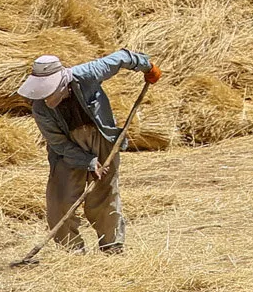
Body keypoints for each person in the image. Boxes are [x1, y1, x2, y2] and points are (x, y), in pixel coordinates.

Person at [17, 50, 162, 254]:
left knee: (103, 194)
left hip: (101, 138)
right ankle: (73, 253)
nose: (46, 97)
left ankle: (112, 247)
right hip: (68, 149)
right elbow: (58, 144)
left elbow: (122, 58)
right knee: (59, 201)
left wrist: (147, 67)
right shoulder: (41, 109)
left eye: (49, 91)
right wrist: (88, 162)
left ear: (61, 82)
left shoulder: (86, 74)